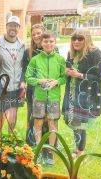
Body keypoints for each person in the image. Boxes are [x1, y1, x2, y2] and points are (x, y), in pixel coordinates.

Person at [62, 28, 101, 159]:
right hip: (72, 94)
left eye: (80, 39)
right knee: (73, 121)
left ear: (87, 39)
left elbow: (100, 76)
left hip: (85, 96)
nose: (76, 41)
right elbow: (68, 70)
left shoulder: (95, 53)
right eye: (74, 38)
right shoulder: (71, 53)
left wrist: (80, 75)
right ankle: (78, 147)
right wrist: (66, 71)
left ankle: (80, 151)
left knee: (80, 123)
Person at [25, 31, 65, 165]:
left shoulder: (60, 59)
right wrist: (39, 81)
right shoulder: (35, 59)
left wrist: (56, 82)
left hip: (54, 98)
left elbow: (65, 77)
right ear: (41, 43)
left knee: (53, 124)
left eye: (51, 41)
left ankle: (50, 152)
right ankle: (39, 150)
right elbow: (28, 77)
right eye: (46, 41)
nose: (48, 44)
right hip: (39, 97)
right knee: (38, 123)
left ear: (55, 42)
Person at [0, 16, 26, 134]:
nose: (12, 28)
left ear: (19, 28)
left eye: (15, 25)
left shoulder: (22, 45)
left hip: (17, 87)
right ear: (6, 26)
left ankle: (10, 139)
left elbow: (24, 65)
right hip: (3, 86)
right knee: (1, 115)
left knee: (13, 115)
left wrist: (23, 81)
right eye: (10, 25)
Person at [22, 23, 46, 146]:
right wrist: (23, 82)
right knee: (32, 114)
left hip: (47, 90)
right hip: (32, 89)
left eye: (38, 33)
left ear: (44, 33)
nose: (36, 36)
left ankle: (46, 143)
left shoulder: (51, 48)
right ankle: (31, 142)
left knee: (45, 117)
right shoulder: (28, 52)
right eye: (34, 34)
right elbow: (24, 69)